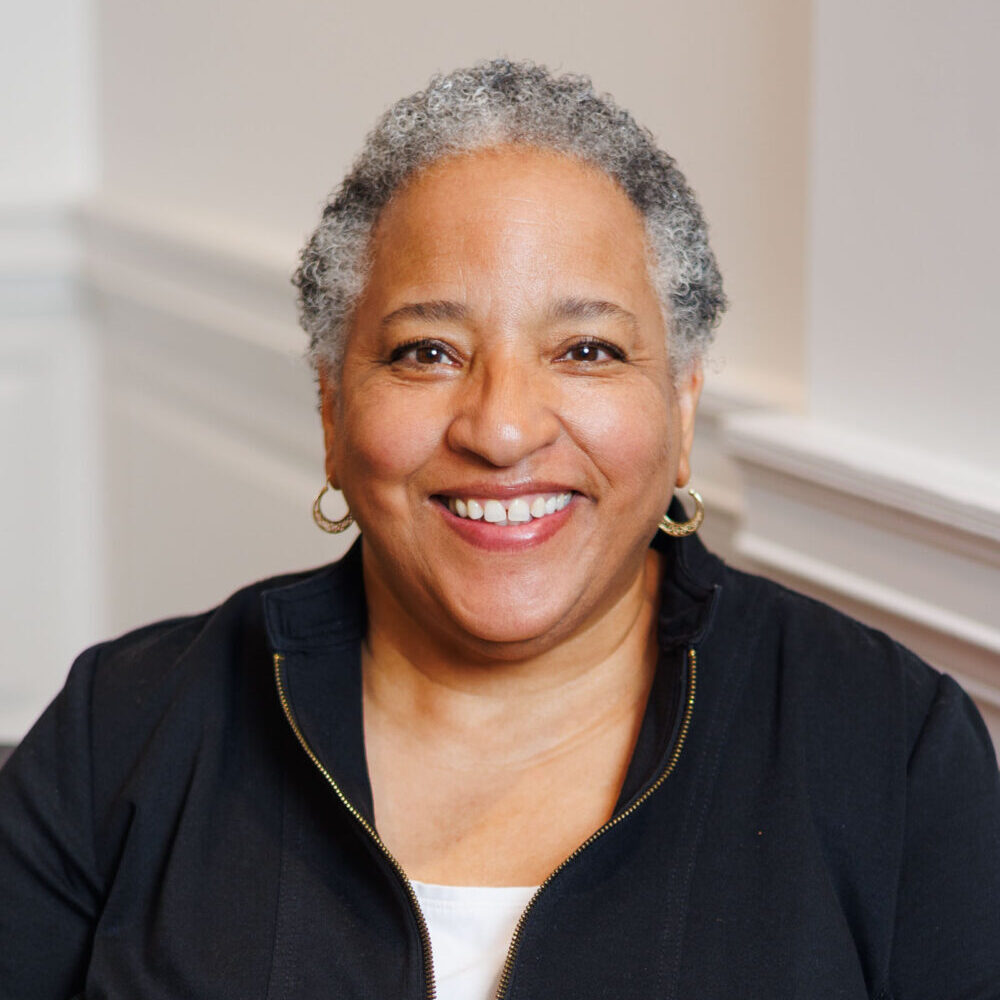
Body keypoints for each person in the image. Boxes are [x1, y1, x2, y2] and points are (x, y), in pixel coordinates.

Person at [1, 59, 998, 1000]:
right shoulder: (119, 730)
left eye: (587, 349)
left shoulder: (892, 752)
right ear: (331, 412)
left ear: (682, 411)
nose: (502, 425)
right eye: (427, 350)